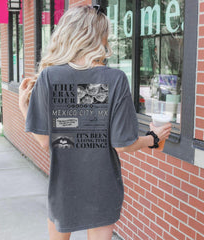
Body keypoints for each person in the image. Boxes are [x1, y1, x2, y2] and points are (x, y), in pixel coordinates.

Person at [19, 5, 172, 240]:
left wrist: (24, 108)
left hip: (63, 187)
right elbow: (123, 143)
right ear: (99, 38)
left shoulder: (50, 76)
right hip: (102, 188)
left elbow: (44, 141)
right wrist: (152, 139)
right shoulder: (114, 79)